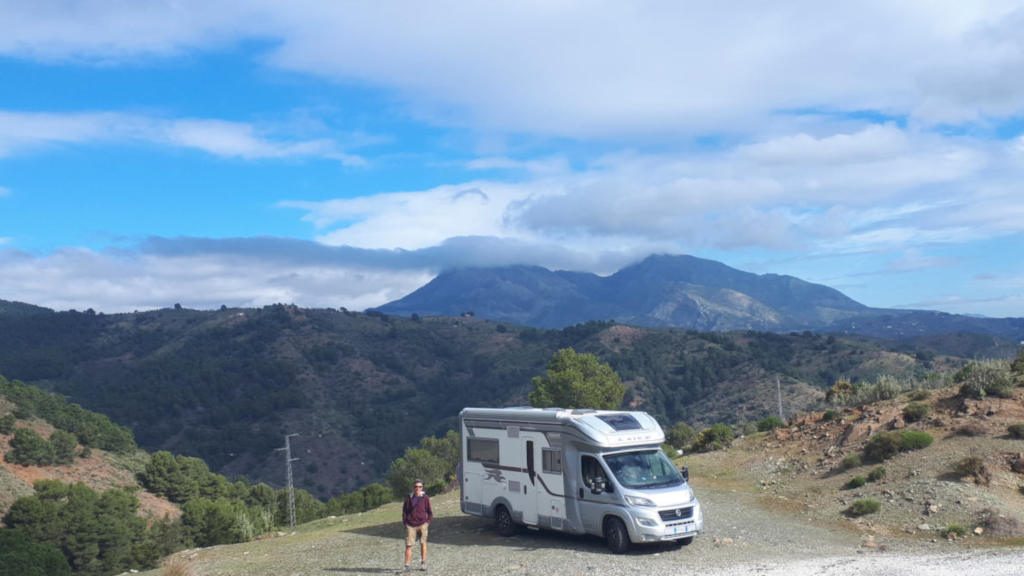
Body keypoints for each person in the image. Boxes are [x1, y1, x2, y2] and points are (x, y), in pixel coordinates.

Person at [402, 479, 432, 571]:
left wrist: (427, 523)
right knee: (409, 545)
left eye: (420, 486)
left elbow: (429, 512)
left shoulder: (425, 498)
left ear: (422, 487)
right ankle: (407, 565)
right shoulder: (408, 498)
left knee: (423, 543)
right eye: (416, 486)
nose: (417, 488)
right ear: (413, 487)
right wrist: (405, 523)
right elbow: (404, 512)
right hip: (410, 525)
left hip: (423, 524)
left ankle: (423, 563)